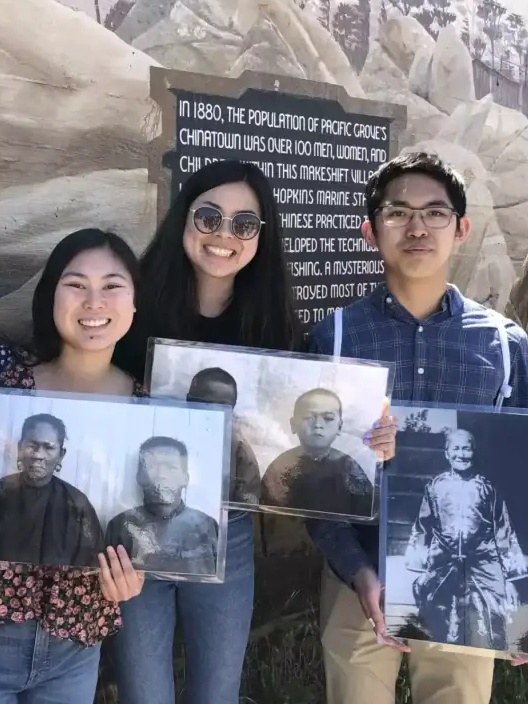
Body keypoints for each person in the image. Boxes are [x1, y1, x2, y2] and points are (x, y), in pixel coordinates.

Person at [111, 159, 398, 704]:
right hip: (138, 529)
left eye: (245, 224)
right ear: (183, 218)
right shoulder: (132, 307)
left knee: (216, 693)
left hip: (228, 528)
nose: (224, 235)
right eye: (209, 216)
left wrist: (369, 440)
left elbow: (310, 440)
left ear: (261, 239)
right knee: (142, 694)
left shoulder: (274, 328)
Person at [305, 151, 528, 704]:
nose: (417, 226)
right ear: (370, 230)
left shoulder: (502, 343)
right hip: (359, 575)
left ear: (461, 230)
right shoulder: (335, 338)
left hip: (471, 581)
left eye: (435, 213)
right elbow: (317, 478)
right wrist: (356, 569)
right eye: (398, 212)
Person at [0, 228, 146, 704]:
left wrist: (133, 574)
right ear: (50, 296)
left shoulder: (147, 408)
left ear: (135, 301)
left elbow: (140, 536)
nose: (94, 300)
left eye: (112, 285)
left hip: (75, 648)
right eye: (76, 283)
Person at [403, 428, 528, 652]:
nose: (461, 454)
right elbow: (423, 525)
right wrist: (420, 564)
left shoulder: (488, 489)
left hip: (482, 560)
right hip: (444, 558)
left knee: (494, 611)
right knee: (433, 603)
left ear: (474, 452)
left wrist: (511, 577)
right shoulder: (436, 487)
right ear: (446, 453)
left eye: (466, 448)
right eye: (456, 448)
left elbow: (504, 530)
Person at [0, 412, 104, 567]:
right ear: (19, 448)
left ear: (61, 455)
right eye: (31, 445)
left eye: (49, 447)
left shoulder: (77, 505)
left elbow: (92, 565)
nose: (38, 455)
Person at [105, 436, 221, 577]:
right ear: (139, 477)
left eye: (171, 467)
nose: (161, 475)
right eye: (152, 466)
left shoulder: (206, 526)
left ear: (186, 479)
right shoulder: (120, 526)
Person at [260, 388, 376, 518]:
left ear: (340, 427)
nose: (318, 425)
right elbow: (265, 515)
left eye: (328, 418)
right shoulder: (280, 466)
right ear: (293, 424)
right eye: (309, 417)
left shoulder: (348, 467)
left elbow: (367, 517)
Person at [184, 367, 261, 505]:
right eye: (206, 404)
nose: (213, 413)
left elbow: (245, 510)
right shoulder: (165, 432)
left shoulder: (239, 450)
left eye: (222, 407)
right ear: (188, 401)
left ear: (232, 408)